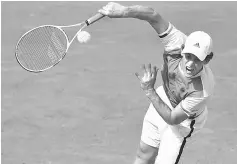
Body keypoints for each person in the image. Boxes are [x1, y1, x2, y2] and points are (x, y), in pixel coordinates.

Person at [98, 2, 215, 164]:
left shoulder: (202, 91)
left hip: (182, 122)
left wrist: (149, 90)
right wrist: (124, 11)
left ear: (207, 59)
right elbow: (153, 16)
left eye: (198, 59)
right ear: (183, 49)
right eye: (188, 56)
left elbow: (173, 119)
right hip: (163, 97)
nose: (190, 64)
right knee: (143, 155)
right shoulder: (176, 42)